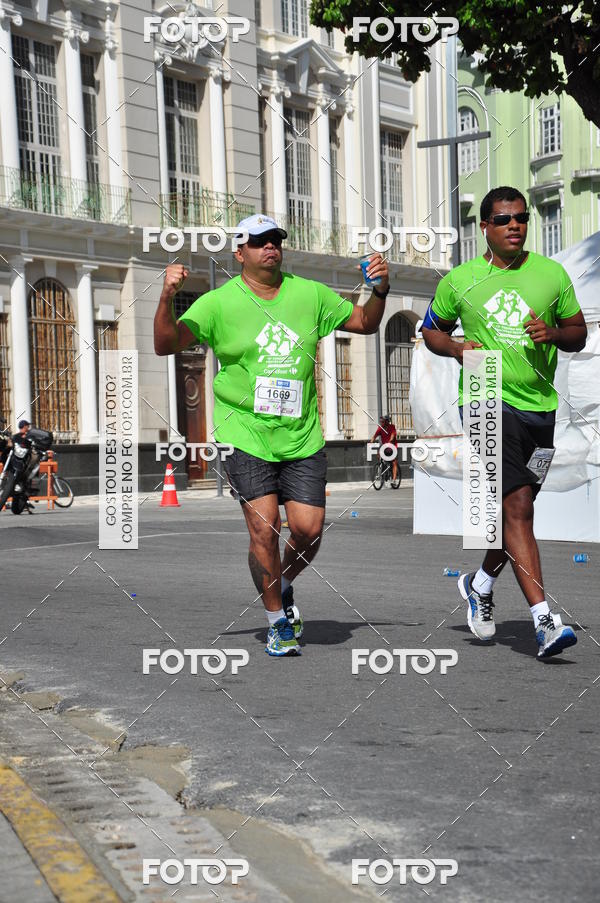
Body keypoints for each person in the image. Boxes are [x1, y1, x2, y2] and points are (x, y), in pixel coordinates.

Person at [154, 214, 390, 656]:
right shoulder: (218, 303)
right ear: (239, 252)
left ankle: (280, 584)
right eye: (259, 241)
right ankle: (276, 621)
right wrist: (166, 297)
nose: (270, 247)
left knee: (308, 530)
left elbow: (364, 323)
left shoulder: (310, 294)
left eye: (276, 240)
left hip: (301, 436)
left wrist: (379, 291)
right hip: (245, 433)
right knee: (266, 528)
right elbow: (166, 344)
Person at [421, 186, 587, 660]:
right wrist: (456, 348)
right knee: (518, 508)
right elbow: (431, 330)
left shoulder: (551, 274)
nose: (515, 225)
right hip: (484, 396)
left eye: (521, 218)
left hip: (540, 407)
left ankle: (479, 583)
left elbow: (578, 333)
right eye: (503, 219)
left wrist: (554, 332)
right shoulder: (460, 280)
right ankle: (544, 622)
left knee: (519, 509)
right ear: (485, 227)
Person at [370, 414, 399, 485]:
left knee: (394, 462)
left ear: (387, 421)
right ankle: (382, 467)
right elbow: (375, 436)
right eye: (380, 421)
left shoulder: (392, 427)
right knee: (379, 455)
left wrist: (390, 440)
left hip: (392, 446)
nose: (381, 423)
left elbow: (393, 435)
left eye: (383, 421)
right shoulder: (380, 428)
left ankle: (394, 480)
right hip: (384, 447)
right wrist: (371, 441)